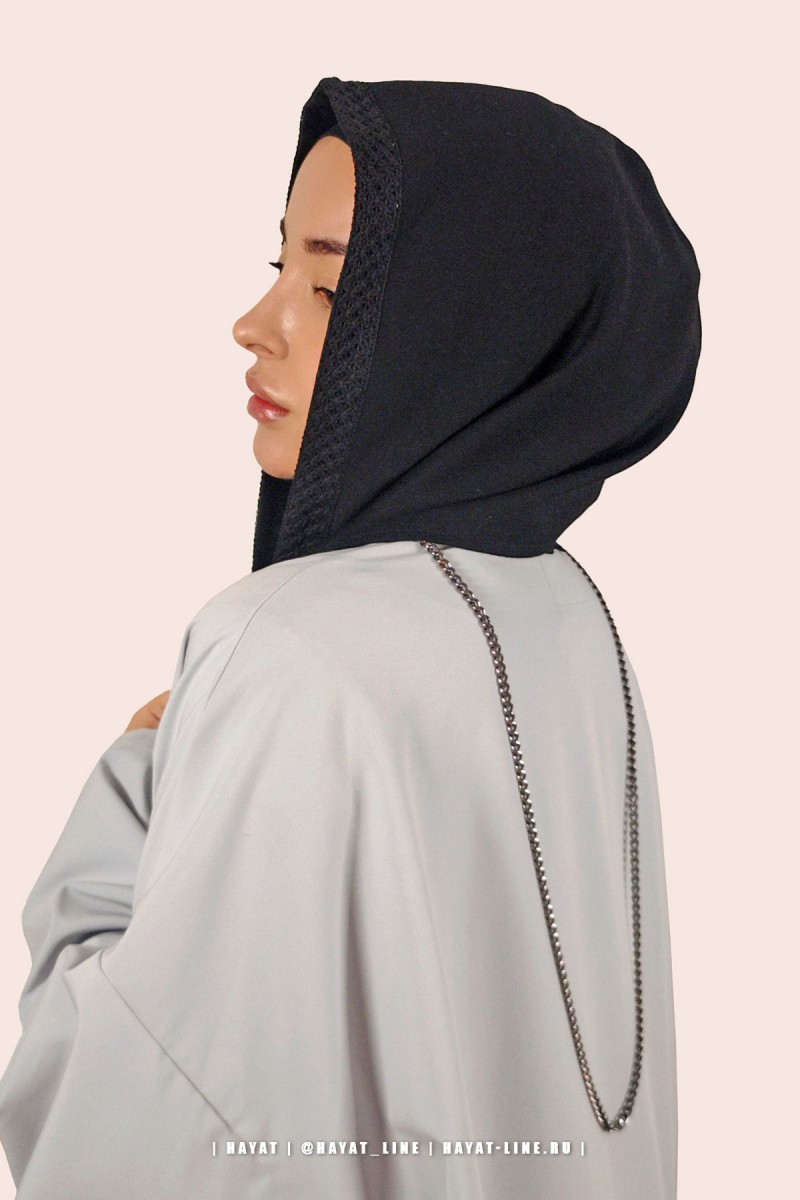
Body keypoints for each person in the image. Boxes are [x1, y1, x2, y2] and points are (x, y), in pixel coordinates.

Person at [0, 76, 701, 1199]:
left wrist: (135, 780)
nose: (255, 323)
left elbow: (129, 1137)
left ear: (460, 331)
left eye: (330, 285)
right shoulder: (570, 615)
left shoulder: (289, 648)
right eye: (276, 264)